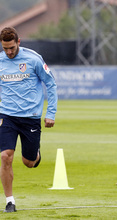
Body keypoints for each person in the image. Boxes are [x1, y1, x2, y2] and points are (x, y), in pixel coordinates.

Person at [0, 27, 57, 212]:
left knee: (29, 162)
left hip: (30, 117)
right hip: (6, 115)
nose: (8, 52)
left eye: (11, 48)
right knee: (5, 156)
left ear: (19, 42)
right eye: (5, 48)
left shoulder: (33, 59)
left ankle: (35, 154)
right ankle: (10, 201)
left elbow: (50, 83)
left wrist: (51, 113)